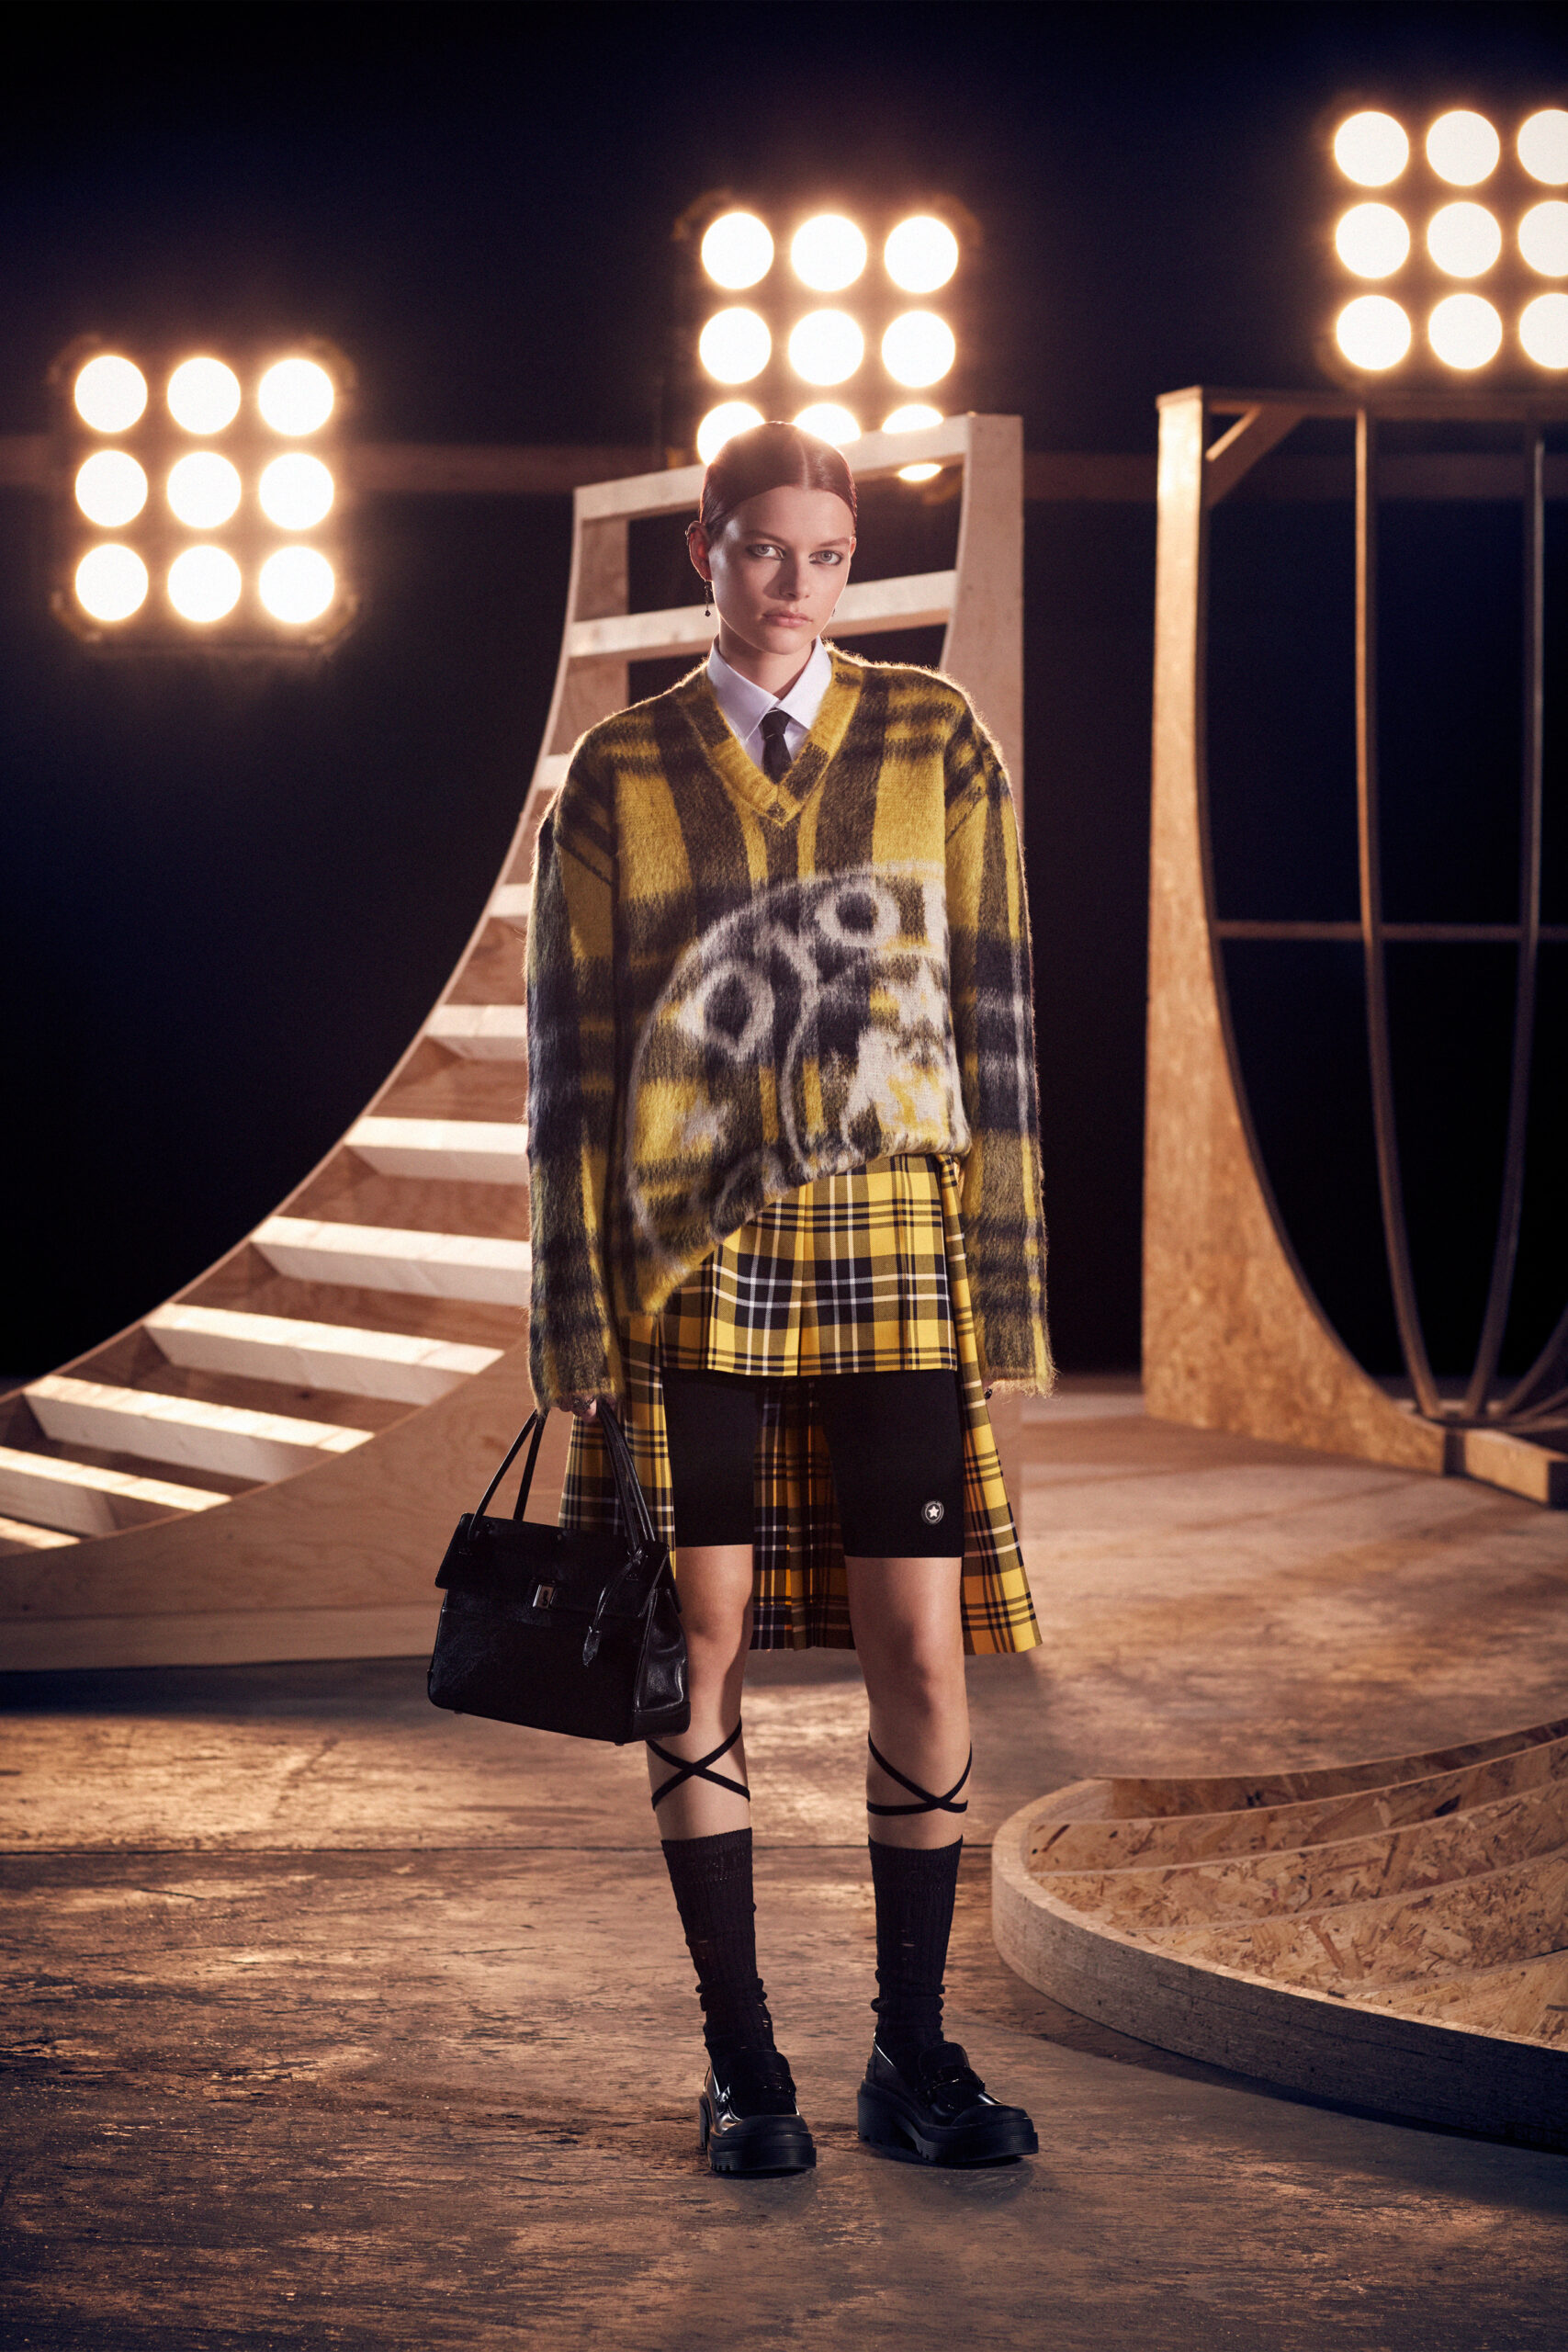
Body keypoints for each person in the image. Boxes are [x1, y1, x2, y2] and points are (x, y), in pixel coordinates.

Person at [525, 419, 1052, 2177]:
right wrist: (572, 1309)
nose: (794, 585)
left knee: (922, 1645)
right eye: (763, 549)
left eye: (827, 556)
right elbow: (571, 1064)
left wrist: (1006, 1280)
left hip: (894, 1240)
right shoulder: (618, 768)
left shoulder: (934, 737)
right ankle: (744, 2067)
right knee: (701, 1645)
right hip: (692, 1262)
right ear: (705, 549)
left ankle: (914, 2055)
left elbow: (995, 1006)